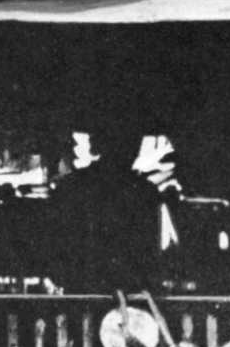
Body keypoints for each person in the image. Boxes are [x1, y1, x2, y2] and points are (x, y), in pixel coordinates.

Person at [46, 124, 163, 294]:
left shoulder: (71, 186)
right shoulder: (145, 191)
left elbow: (57, 248)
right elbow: (150, 255)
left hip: (83, 292)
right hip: (132, 295)